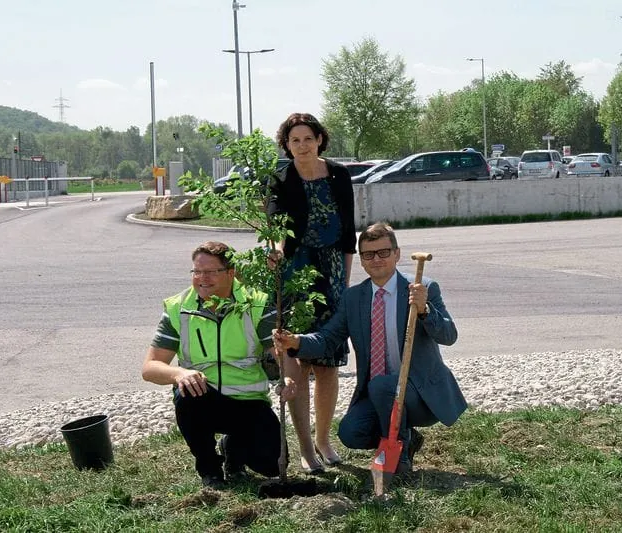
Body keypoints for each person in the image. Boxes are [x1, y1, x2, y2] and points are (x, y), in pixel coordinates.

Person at [274, 222, 467, 474]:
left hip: (419, 393)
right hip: (378, 393)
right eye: (368, 254)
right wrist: (297, 342)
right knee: (350, 433)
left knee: (383, 385)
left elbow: (449, 335)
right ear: (361, 260)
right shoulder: (354, 298)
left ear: (397, 254)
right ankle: (405, 437)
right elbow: (328, 339)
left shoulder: (423, 288)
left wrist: (425, 311)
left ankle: (398, 458)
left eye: (383, 252)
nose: (376, 259)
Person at [141, 241, 296, 489]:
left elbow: (281, 355)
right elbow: (150, 368)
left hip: (249, 401)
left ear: (230, 273)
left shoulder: (256, 304)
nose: (202, 278)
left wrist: (286, 378)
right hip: (204, 397)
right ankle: (209, 470)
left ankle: (233, 450)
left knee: (271, 464)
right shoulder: (178, 308)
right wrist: (180, 373)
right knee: (187, 393)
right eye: (197, 272)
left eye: (211, 272)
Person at [267, 112, 357, 473]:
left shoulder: (339, 174)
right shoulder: (280, 176)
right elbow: (275, 223)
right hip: (296, 273)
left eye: (308, 138)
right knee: (299, 359)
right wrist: (275, 250)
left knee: (329, 363)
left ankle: (323, 439)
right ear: (286, 145)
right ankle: (305, 447)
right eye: (294, 140)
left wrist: (345, 284)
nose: (302, 145)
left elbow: (348, 230)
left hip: (333, 270)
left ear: (320, 139)